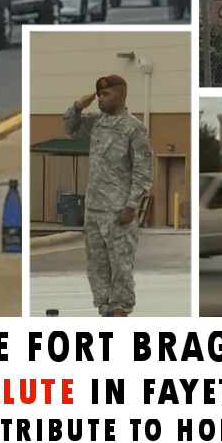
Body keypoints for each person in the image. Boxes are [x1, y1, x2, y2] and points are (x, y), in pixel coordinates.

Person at [63, 75, 154, 317]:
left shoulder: (134, 128)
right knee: (97, 267)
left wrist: (131, 206)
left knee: (121, 267)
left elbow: (143, 172)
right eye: (99, 95)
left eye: (106, 95)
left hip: (118, 212)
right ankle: (105, 311)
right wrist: (78, 106)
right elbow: (69, 128)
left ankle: (120, 312)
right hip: (93, 209)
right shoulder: (96, 123)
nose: (101, 99)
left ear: (121, 95)